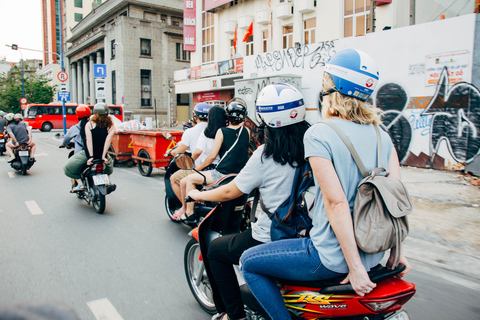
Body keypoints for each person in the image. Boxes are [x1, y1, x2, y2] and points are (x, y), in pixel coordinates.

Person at [239, 49, 412, 320]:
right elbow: (396, 200)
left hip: (329, 255)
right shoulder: (382, 135)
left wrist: (354, 268)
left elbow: (336, 203)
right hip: (375, 254)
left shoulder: (321, 133)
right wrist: (396, 253)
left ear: (334, 88)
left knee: (249, 261)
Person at [187, 83, 310, 320]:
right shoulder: (313, 146)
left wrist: (197, 195)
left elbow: (228, 192)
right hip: (306, 233)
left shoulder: (266, 153)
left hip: (268, 236)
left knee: (215, 250)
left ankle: (234, 315)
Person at [181, 100, 250, 222]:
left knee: (191, 179)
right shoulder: (246, 131)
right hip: (239, 174)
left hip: (222, 174)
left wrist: (198, 167)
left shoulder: (221, 131)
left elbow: (212, 156)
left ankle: (189, 213)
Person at [172, 106, 227, 220]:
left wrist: (193, 164)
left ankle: (187, 211)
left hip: (208, 168)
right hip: (224, 167)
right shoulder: (226, 131)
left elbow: (200, 153)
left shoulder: (207, 132)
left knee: (183, 181)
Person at [64, 103, 116, 193]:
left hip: (87, 154)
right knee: (109, 167)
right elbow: (107, 142)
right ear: (107, 113)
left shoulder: (89, 125)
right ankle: (107, 181)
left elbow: (89, 141)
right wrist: (103, 156)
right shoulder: (111, 126)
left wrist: (91, 157)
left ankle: (80, 184)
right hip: (102, 154)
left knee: (68, 167)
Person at [167, 102, 211, 203]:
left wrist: (170, 151)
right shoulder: (216, 130)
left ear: (195, 117)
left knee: (173, 179)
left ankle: (185, 208)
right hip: (213, 168)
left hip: (197, 167)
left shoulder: (190, 132)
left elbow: (179, 151)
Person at [59, 105, 91, 191]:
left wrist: (63, 144)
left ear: (77, 116)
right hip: (96, 153)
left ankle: (77, 184)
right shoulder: (93, 126)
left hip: (81, 154)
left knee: (70, 167)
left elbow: (66, 139)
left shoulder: (75, 128)